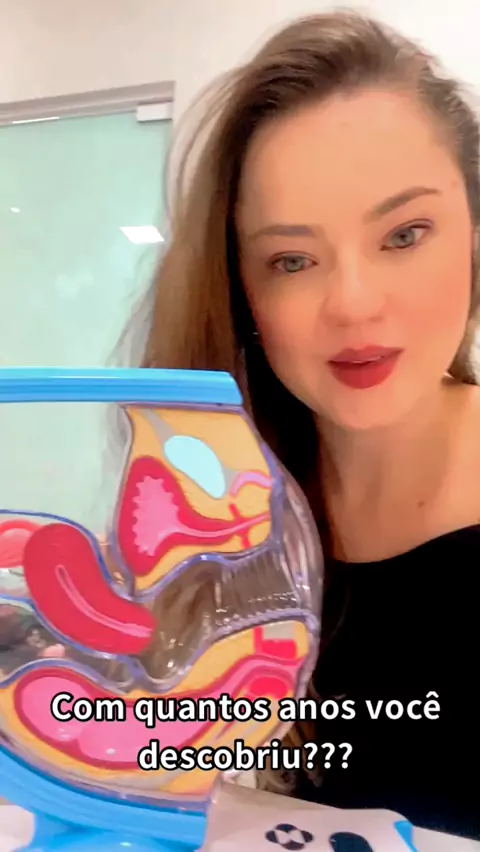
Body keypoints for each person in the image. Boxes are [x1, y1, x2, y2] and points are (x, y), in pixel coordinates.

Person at [133, 10, 480, 840]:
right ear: (242, 293)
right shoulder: (222, 508)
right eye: (291, 260)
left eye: (405, 234)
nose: (353, 304)